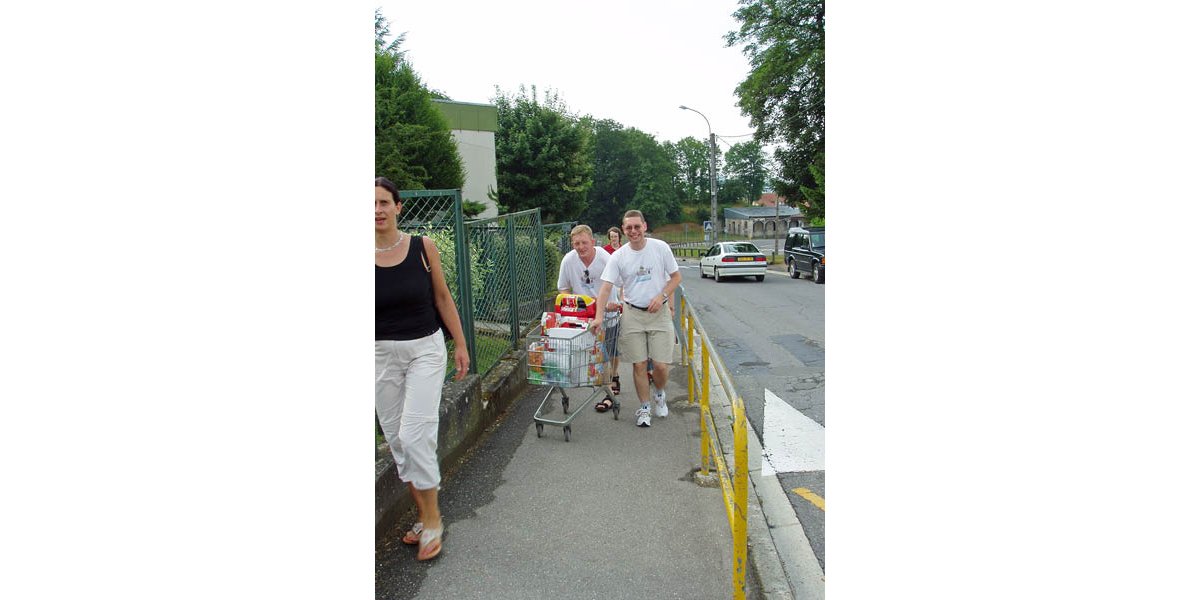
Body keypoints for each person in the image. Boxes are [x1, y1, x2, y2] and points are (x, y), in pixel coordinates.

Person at [375, 176, 470, 561]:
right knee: (399, 443)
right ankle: (425, 514)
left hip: (424, 351)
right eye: (370, 204)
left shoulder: (422, 247)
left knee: (414, 435)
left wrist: (460, 343)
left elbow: (443, 298)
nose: (377, 210)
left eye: (384, 202)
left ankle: (432, 521)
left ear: (398, 207)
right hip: (379, 355)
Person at [590, 210, 681, 428]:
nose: (633, 231)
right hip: (632, 314)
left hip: (658, 314)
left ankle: (659, 392)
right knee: (639, 364)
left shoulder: (660, 248)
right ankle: (645, 407)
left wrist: (663, 297)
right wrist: (598, 317)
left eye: (637, 226)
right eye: (629, 227)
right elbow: (605, 288)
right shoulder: (619, 256)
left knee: (660, 365)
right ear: (623, 230)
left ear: (644, 226)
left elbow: (676, 277)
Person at [556, 224, 622, 408]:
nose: (581, 247)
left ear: (593, 242)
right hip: (585, 317)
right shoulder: (568, 261)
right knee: (600, 355)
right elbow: (563, 288)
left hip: (608, 312)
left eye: (584, 242)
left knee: (612, 351)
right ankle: (608, 393)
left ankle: (615, 375)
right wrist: (573, 303)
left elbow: (618, 282)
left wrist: (616, 302)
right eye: (576, 243)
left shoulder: (605, 258)